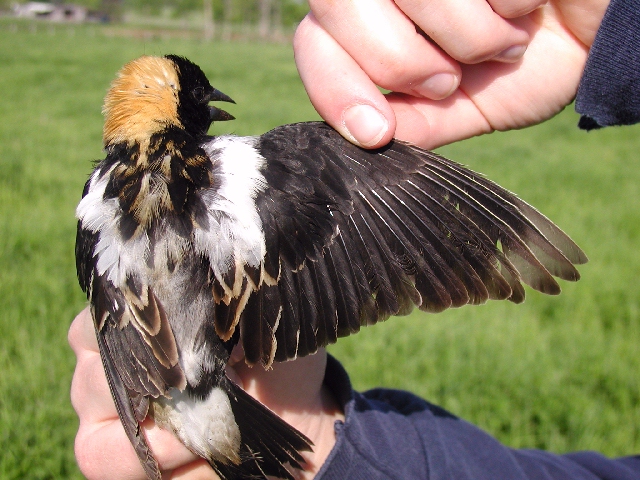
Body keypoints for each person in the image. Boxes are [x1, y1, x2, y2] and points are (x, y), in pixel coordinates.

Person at [69, 1, 640, 478]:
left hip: (173, 393)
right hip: (223, 393)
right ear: (178, 107)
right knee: (331, 158)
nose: (210, 103)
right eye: (199, 95)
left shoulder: (97, 207)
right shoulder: (242, 176)